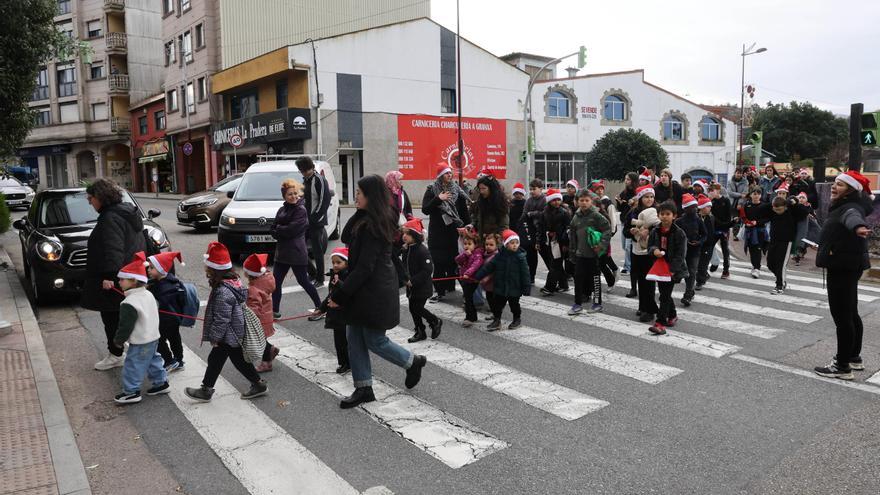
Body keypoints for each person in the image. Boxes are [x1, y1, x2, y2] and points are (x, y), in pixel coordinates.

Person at [330, 175, 427, 409]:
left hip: (374, 292)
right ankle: (363, 388)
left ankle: (412, 362)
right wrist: (360, 210)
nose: (355, 195)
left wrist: (339, 295)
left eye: (360, 193)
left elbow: (364, 268)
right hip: (362, 291)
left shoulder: (374, 226)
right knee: (354, 338)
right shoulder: (366, 219)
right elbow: (345, 237)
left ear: (371, 197)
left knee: (374, 340)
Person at [185, 242, 267, 402]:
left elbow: (222, 319)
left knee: (232, 360)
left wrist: (215, 337)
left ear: (213, 270)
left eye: (207, 268)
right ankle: (208, 389)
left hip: (229, 334)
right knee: (222, 360)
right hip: (233, 332)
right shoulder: (233, 282)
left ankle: (208, 390)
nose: (205, 271)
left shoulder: (223, 292)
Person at [813, 171, 874, 380]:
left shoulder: (849, 207)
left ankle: (842, 365)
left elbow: (852, 218)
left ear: (850, 189)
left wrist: (858, 227)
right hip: (848, 263)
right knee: (851, 312)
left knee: (843, 316)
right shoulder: (846, 204)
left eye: (839, 184)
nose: (833, 186)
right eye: (834, 183)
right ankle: (854, 357)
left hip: (842, 265)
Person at [83, 178, 147, 371]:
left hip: (118, 277)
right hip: (131, 274)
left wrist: (109, 277)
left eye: (91, 198)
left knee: (111, 317)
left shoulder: (110, 217)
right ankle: (146, 352)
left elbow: (113, 249)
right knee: (130, 316)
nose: (89, 202)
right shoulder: (126, 212)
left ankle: (116, 354)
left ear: (101, 197)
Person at [112, 253, 169, 404]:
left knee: (133, 365)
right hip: (153, 336)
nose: (119, 282)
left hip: (141, 340)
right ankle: (161, 382)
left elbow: (125, 326)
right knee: (152, 359)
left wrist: (119, 340)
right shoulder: (148, 294)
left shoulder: (129, 302)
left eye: (122, 279)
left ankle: (131, 391)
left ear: (133, 281)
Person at [270, 179, 322, 318]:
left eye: (295, 193)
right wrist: (280, 229)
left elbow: (291, 230)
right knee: (276, 282)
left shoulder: (301, 210)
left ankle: (320, 306)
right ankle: (274, 310)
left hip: (296, 252)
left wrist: (279, 229)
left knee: (303, 281)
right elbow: (272, 229)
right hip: (281, 253)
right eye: (289, 194)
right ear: (284, 196)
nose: (293, 196)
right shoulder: (281, 209)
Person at [422, 164, 471, 302]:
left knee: (455, 261)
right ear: (440, 176)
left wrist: (468, 226)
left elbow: (464, 212)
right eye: (446, 173)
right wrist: (438, 198)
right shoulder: (432, 189)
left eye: (450, 173)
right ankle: (439, 291)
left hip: (454, 232)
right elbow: (425, 209)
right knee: (438, 262)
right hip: (438, 233)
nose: (449, 175)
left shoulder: (457, 190)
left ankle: (455, 288)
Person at [751, 195, 810, 294]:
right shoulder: (773, 211)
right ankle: (781, 279)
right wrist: (773, 203)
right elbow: (759, 209)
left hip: (786, 241)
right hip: (773, 240)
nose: (777, 211)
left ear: (785, 207)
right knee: (770, 263)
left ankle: (779, 285)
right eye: (775, 209)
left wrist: (794, 204)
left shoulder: (791, 211)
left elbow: (805, 212)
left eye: (779, 209)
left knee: (781, 264)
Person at [646, 201, 688, 336]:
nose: (664, 217)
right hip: (658, 267)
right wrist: (654, 251)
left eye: (668, 214)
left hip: (671, 269)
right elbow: (649, 247)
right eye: (662, 214)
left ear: (674, 216)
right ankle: (673, 315)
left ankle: (660, 323)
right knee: (665, 293)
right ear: (658, 215)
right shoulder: (655, 230)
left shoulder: (679, 233)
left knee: (664, 296)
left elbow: (681, 254)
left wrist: (673, 269)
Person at [474, 229, 530, 331]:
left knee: (514, 305)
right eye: (512, 243)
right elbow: (489, 267)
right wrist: (478, 276)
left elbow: (526, 274)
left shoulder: (520, 258)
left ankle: (517, 319)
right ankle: (497, 320)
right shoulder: (499, 256)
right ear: (506, 244)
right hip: (501, 286)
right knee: (497, 305)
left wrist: (526, 288)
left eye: (517, 243)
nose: (515, 245)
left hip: (514, 287)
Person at [567, 190, 611, 315]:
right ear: (577, 202)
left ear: (591, 201)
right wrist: (572, 252)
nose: (584, 203)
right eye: (581, 200)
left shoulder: (596, 215)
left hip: (594, 254)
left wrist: (601, 245)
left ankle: (597, 304)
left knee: (595, 278)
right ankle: (577, 304)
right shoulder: (576, 216)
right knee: (578, 278)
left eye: (587, 200)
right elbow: (573, 236)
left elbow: (607, 229)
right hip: (580, 254)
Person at [400, 219, 441, 343]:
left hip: (421, 286)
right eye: (404, 233)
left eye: (408, 234)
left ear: (415, 236)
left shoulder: (422, 250)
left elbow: (428, 269)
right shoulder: (407, 249)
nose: (404, 236)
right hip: (410, 286)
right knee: (413, 309)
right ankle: (420, 331)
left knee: (417, 308)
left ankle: (434, 321)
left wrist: (413, 280)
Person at [146, 251, 186, 372]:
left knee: (158, 340)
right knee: (175, 338)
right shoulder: (172, 282)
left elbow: (157, 304)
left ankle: (169, 361)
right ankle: (179, 360)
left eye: (152, 268)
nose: (148, 270)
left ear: (161, 269)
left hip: (165, 319)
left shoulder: (163, 288)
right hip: (174, 319)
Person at [296, 157, 331, 287]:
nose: (303, 173)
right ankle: (312, 272)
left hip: (316, 221)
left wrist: (315, 217)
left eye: (304, 170)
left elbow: (324, 200)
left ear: (310, 167)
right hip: (305, 221)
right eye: (301, 171)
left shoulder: (319, 180)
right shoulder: (305, 180)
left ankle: (320, 278)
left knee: (317, 251)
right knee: (299, 248)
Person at [628, 185, 660, 321]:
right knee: (641, 279)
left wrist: (649, 231)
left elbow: (660, 227)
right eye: (646, 197)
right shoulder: (634, 212)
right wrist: (632, 232)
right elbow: (626, 228)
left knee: (649, 282)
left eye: (651, 196)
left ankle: (650, 310)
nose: (649, 199)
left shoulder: (657, 211)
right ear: (640, 198)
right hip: (636, 250)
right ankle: (642, 306)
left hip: (650, 251)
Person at [243, 254, 279, 373]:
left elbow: (254, 307)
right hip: (267, 315)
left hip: (259, 319)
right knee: (262, 339)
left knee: (260, 341)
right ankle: (271, 350)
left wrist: (248, 317)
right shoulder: (267, 279)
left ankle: (266, 364)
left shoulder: (254, 289)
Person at [318, 248, 351, 373]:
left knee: (345, 341)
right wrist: (321, 308)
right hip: (335, 315)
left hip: (345, 314)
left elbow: (347, 292)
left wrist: (338, 283)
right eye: (333, 262)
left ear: (346, 263)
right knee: (339, 342)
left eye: (339, 262)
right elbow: (331, 295)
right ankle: (343, 363)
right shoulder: (334, 275)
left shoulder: (348, 276)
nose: (335, 265)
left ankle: (348, 363)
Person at [675, 194, 707, 306]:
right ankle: (691, 291)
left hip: (695, 251)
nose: (693, 209)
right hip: (682, 251)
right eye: (691, 207)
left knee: (692, 271)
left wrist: (699, 242)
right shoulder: (679, 221)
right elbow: (675, 235)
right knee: (684, 272)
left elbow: (704, 235)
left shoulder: (698, 220)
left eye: (695, 206)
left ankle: (688, 294)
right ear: (685, 208)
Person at [539, 188, 571, 295]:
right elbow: (541, 227)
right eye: (554, 200)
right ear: (549, 200)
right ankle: (563, 285)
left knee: (555, 264)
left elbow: (568, 229)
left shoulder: (564, 213)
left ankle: (549, 287)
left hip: (560, 242)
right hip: (551, 242)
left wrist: (565, 243)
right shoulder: (545, 212)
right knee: (556, 264)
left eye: (558, 199)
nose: (556, 202)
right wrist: (539, 241)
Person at [590, 180, 619, 288]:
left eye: (601, 189)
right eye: (597, 189)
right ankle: (613, 272)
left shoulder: (607, 202)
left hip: (604, 236)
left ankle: (613, 273)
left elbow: (612, 218)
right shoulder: (592, 201)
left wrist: (611, 232)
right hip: (594, 237)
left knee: (602, 259)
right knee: (601, 259)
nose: (600, 191)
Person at [519, 179, 546, 283]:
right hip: (530, 231)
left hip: (542, 231)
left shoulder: (544, 199)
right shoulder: (529, 201)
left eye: (534, 189)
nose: (532, 191)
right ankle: (531, 277)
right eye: (530, 189)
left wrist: (532, 214)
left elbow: (544, 214)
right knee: (531, 256)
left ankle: (559, 279)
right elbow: (524, 214)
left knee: (546, 256)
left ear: (541, 189)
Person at [455, 230, 484, 327]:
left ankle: (469, 317)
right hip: (465, 279)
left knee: (468, 298)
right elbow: (458, 260)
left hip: (472, 280)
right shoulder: (466, 253)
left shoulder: (477, 254)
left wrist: (467, 274)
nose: (466, 246)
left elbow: (475, 265)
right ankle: (473, 316)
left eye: (469, 244)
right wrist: (465, 254)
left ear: (475, 244)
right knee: (468, 298)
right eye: (465, 244)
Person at [741, 186, 770, 278]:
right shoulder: (747, 205)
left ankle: (757, 268)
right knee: (751, 249)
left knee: (758, 249)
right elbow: (743, 217)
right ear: (751, 195)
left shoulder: (764, 205)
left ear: (761, 195)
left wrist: (757, 222)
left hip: (760, 231)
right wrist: (747, 223)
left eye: (758, 194)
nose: (756, 196)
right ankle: (754, 266)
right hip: (749, 231)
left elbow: (767, 218)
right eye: (754, 194)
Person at [616, 172, 639, 275]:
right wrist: (619, 202)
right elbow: (620, 208)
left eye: (628, 179)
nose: (626, 181)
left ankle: (627, 267)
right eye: (625, 179)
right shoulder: (624, 192)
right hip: (624, 221)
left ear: (633, 181)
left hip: (633, 222)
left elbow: (638, 207)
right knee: (624, 245)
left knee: (628, 246)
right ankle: (630, 265)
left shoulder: (637, 192)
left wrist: (633, 203)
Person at [708, 183, 733, 278]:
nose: (711, 192)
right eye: (709, 191)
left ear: (718, 190)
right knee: (709, 248)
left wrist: (726, 228)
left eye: (712, 190)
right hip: (714, 229)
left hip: (724, 229)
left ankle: (726, 270)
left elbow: (728, 216)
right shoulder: (711, 201)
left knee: (725, 250)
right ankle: (710, 266)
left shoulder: (726, 200)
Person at [694, 195, 715, 290]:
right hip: (697, 244)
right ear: (701, 207)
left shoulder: (711, 218)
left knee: (703, 263)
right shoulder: (696, 217)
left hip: (708, 245)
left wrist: (731, 223)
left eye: (710, 206)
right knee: (697, 264)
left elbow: (717, 227)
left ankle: (700, 281)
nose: (710, 208)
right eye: (708, 206)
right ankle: (704, 275)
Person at [479, 234, 500, 321]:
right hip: (488, 285)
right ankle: (494, 313)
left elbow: (495, 270)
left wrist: (487, 278)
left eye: (491, 245)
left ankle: (497, 316)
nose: (488, 247)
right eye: (487, 244)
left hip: (494, 283)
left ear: (496, 245)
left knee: (494, 300)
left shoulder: (496, 256)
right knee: (489, 299)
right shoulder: (485, 254)